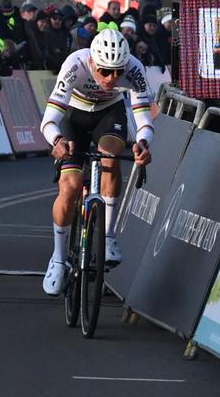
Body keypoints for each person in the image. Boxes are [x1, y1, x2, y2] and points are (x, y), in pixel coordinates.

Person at [39, 29, 153, 296]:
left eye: (117, 72)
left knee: (111, 157)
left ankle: (108, 237)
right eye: (104, 71)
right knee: (69, 186)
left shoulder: (134, 69)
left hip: (108, 114)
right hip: (74, 117)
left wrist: (144, 143)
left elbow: (143, 119)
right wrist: (57, 142)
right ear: (92, 62)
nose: (112, 79)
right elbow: (49, 120)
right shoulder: (75, 65)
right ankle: (57, 259)